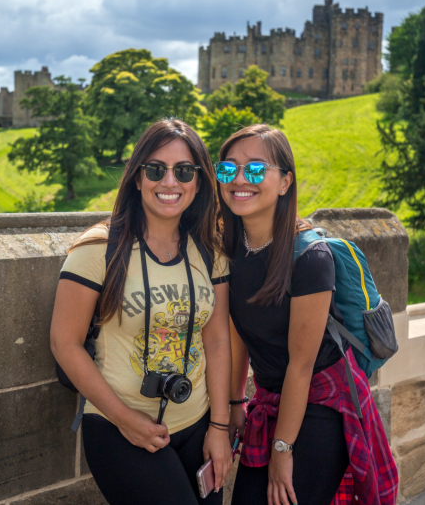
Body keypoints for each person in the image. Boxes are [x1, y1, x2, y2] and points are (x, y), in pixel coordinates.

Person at [50, 119, 233, 505]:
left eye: (184, 171)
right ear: (137, 178)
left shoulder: (208, 251)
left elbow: (216, 340)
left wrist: (219, 426)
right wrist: (123, 418)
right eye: (155, 169)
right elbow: (64, 343)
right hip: (121, 427)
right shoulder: (98, 249)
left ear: (199, 182)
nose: (170, 182)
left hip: (197, 424)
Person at [219, 124, 398, 505]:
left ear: (285, 182)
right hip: (268, 401)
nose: (238, 179)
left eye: (254, 170)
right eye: (227, 168)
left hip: (320, 406)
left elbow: (301, 366)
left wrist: (283, 451)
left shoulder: (310, 258)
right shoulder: (229, 249)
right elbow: (240, 337)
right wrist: (236, 405)